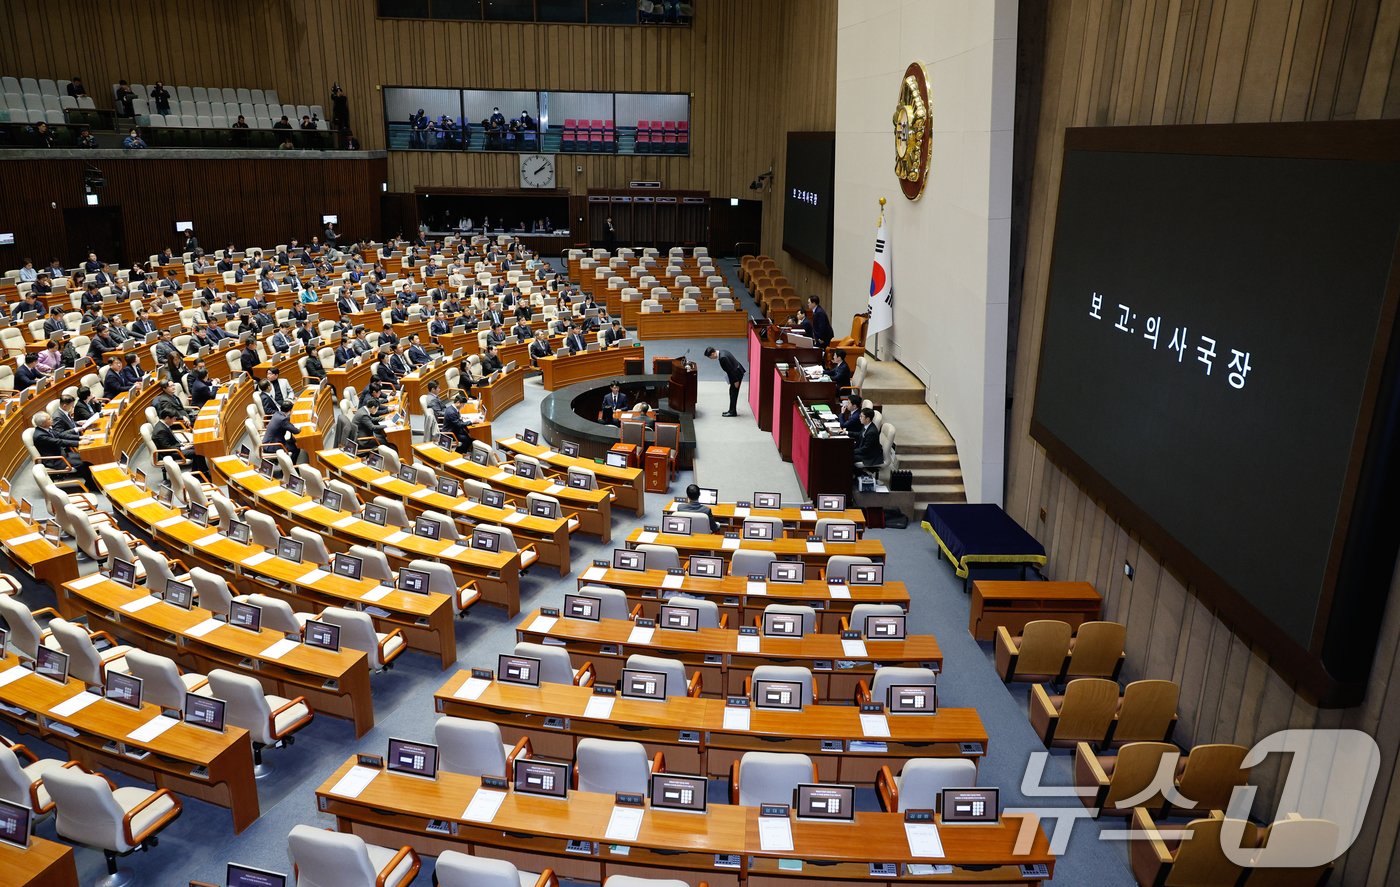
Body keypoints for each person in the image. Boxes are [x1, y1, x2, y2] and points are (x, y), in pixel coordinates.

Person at [32, 412, 94, 489]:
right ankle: (90, 485)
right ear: (43, 423)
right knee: (83, 463)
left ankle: (91, 482)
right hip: (55, 460)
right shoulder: (40, 436)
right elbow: (59, 442)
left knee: (86, 457)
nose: (52, 419)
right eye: (49, 419)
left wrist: (80, 438)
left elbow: (61, 435)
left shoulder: (46, 429)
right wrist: (79, 443)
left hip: (61, 454)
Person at [152, 407, 208, 474]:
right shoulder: (161, 431)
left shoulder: (163, 424)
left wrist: (183, 444)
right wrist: (183, 447)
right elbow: (167, 448)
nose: (175, 420)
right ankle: (203, 472)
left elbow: (170, 442)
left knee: (197, 447)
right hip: (169, 453)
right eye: (174, 418)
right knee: (197, 452)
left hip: (174, 448)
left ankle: (196, 471)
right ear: (167, 418)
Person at [704, 346, 745, 417]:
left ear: (713, 353)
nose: (711, 359)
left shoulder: (722, 358)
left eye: (710, 357)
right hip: (737, 371)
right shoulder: (722, 351)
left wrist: (736, 381)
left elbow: (730, 371)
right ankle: (731, 410)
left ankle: (732, 412)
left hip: (736, 374)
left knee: (733, 393)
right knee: (732, 392)